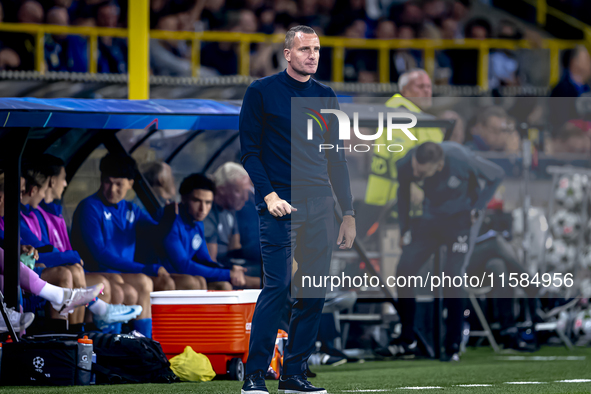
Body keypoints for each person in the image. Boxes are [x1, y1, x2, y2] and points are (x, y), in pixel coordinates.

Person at [239, 25, 355, 394]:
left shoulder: (326, 95)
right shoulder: (261, 92)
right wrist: (269, 195)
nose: (312, 55)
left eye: (317, 49)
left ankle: (293, 375)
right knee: (277, 288)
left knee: (314, 292)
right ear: (288, 54)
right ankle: (255, 376)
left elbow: (336, 159)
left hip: (320, 204)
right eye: (305, 49)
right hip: (280, 205)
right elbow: (249, 153)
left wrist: (348, 212)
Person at [378, 141, 504, 361]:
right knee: (404, 269)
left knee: (452, 277)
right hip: (431, 219)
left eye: (422, 171)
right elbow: (404, 194)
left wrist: (478, 206)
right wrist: (404, 229)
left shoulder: (462, 159)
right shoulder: (407, 163)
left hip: (461, 220)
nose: (416, 173)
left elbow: (497, 175)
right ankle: (408, 339)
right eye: (416, 168)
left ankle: (453, 344)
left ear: (438, 165)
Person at [16, 158, 142, 330]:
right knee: (69, 274)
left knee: (100, 278)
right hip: (33, 271)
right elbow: (40, 247)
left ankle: (87, 335)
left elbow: (40, 246)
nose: (66, 183)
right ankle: (72, 334)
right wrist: (72, 256)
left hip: (48, 268)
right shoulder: (29, 215)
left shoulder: (46, 213)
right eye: (64, 178)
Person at [71, 153, 175, 338]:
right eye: (108, 182)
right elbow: (99, 254)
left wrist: (168, 218)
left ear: (130, 184)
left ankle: (144, 342)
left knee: (145, 282)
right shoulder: (89, 207)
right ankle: (112, 343)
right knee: (138, 281)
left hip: (118, 274)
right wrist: (144, 268)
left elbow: (155, 234)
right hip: (94, 273)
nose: (112, 189)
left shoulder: (131, 209)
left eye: (119, 184)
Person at [363, 69, 443, 236]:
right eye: (420, 86)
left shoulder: (419, 116)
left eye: (429, 87)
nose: (427, 91)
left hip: (412, 201)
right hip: (392, 202)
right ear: (404, 90)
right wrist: (412, 184)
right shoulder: (399, 111)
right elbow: (401, 154)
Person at [153, 173, 258, 290]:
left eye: (208, 203)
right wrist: (227, 274)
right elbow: (183, 265)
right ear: (183, 198)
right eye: (197, 201)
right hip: (161, 276)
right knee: (195, 282)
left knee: (224, 286)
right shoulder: (170, 220)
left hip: (182, 275)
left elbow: (205, 260)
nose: (203, 209)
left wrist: (229, 270)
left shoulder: (197, 223)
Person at [204, 162, 250, 264]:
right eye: (238, 191)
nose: (245, 197)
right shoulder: (205, 212)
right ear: (221, 190)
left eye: (246, 191)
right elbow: (210, 260)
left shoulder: (231, 210)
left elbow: (235, 246)